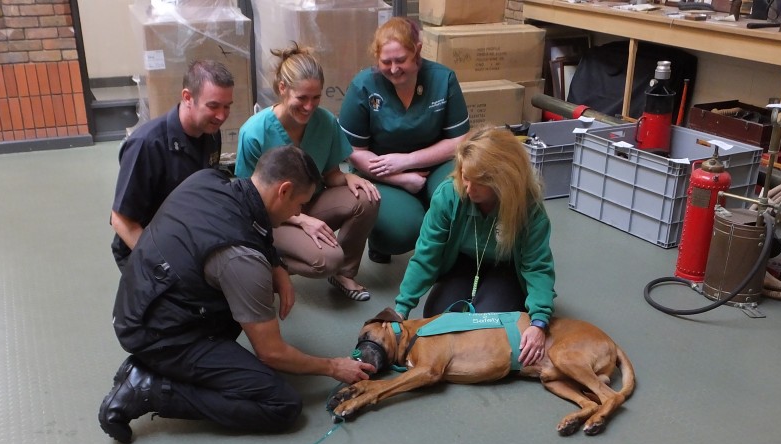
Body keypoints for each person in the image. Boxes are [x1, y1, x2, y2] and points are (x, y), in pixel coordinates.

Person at [98, 145, 376, 444]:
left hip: (141, 299)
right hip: (156, 331)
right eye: (300, 204)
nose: (298, 213)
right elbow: (271, 353)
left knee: (243, 306)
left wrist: (277, 265)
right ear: (283, 190)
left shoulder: (208, 180)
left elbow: (254, 222)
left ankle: (154, 367)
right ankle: (151, 389)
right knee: (281, 405)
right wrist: (333, 366)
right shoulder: (241, 260)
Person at [393, 127, 557, 368]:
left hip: (507, 268)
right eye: (464, 176)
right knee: (438, 318)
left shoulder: (529, 208)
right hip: (463, 262)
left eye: (478, 182)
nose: (468, 188)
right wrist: (402, 308)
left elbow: (537, 267)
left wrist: (539, 322)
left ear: (502, 180)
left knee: (484, 327)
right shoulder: (449, 194)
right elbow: (426, 254)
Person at [236, 44, 380, 301]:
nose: (309, 106)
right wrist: (302, 220)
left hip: (310, 203)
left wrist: (349, 177)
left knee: (366, 197)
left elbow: (331, 173)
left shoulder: (325, 122)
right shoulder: (255, 131)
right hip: (272, 218)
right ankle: (267, 267)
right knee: (327, 259)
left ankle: (344, 273)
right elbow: (248, 201)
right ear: (282, 88)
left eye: (316, 98)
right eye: (302, 98)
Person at [338, 16, 471, 265]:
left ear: (417, 50)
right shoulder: (363, 86)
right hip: (380, 172)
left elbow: (460, 139)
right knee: (404, 230)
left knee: (457, 196)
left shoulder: (443, 79)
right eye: (385, 62)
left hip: (435, 165)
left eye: (401, 60)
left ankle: (453, 254)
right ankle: (381, 242)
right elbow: (353, 150)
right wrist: (400, 176)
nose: (394, 68)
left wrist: (407, 161)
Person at [109, 59, 235, 273]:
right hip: (148, 245)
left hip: (188, 235)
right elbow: (121, 220)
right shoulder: (146, 144)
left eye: (227, 107)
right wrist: (162, 265)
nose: (221, 116)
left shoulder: (210, 133)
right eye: (213, 106)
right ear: (187, 98)